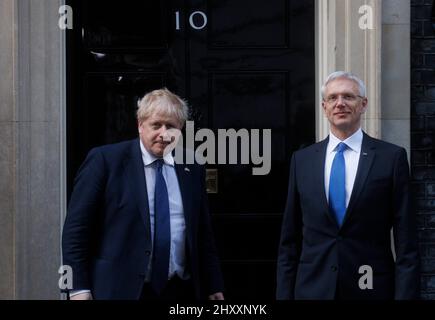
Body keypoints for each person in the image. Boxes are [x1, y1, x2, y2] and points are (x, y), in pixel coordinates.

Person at [62, 88, 224, 300]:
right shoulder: (105, 161)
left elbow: (202, 233)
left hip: (178, 290)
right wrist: (77, 289)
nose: (164, 134)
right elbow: (75, 231)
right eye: (156, 125)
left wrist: (213, 285)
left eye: (171, 127)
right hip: (120, 290)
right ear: (140, 125)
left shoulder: (191, 166)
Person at [276, 71, 420, 300]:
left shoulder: (391, 158)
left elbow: (407, 243)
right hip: (313, 290)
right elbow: (289, 242)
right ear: (324, 107)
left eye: (348, 97)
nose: (340, 103)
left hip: (371, 288)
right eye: (332, 98)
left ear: (363, 104)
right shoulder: (301, 161)